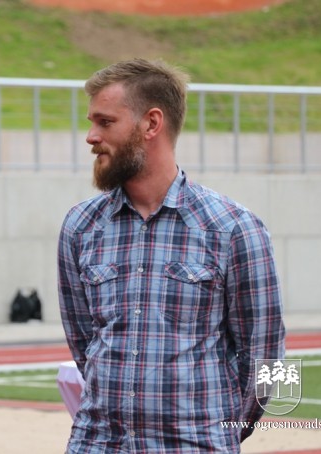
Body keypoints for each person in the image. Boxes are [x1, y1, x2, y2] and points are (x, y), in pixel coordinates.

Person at [57, 58, 285, 452]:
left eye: (105, 122)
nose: (91, 137)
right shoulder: (80, 226)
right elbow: (83, 343)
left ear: (151, 124)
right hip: (98, 443)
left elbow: (266, 355)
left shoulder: (234, 228)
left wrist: (221, 432)